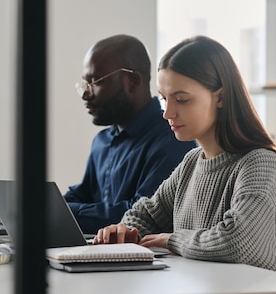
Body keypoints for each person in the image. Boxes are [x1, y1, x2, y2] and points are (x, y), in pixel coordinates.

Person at [94, 35, 276, 277]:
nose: (168, 113)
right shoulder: (192, 163)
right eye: (165, 99)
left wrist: (171, 239)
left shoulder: (260, 162)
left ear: (221, 98)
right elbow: (146, 215)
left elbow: (243, 245)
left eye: (182, 100)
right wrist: (126, 231)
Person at [64, 34, 197, 234]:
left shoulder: (173, 139)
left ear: (133, 81)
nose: (86, 94)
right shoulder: (101, 142)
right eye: (85, 84)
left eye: (95, 82)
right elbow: (82, 195)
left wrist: (62, 213)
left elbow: (141, 217)